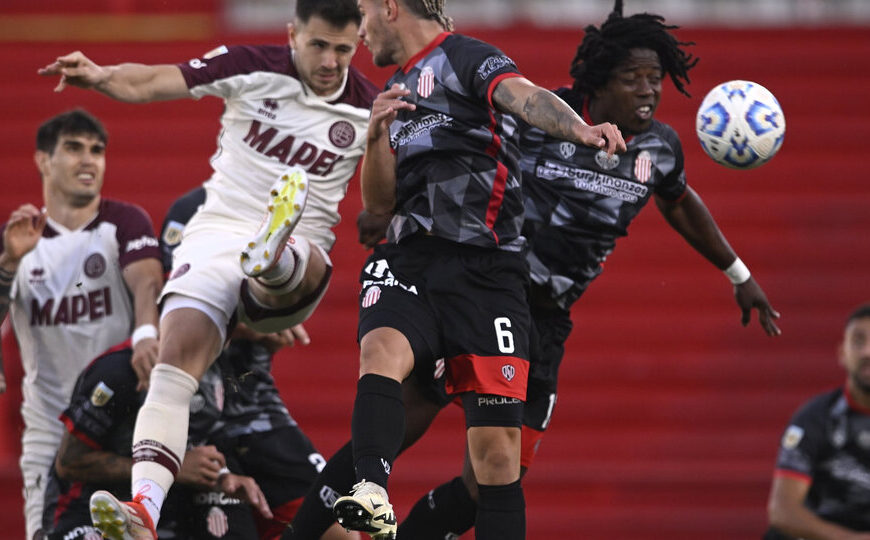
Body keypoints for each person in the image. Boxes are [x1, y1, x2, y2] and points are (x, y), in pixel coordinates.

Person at [289, 1, 782, 538]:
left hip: (541, 323)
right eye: (633, 78)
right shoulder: (536, 116)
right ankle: (312, 526)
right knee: (391, 431)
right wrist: (394, 199)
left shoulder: (660, 149)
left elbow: (679, 201)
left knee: (492, 478)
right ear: (599, 81)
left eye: (655, 79)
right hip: (487, 285)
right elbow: (516, 106)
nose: (648, 90)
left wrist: (739, 274)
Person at [37, 1, 378, 538]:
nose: (331, 61)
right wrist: (101, 76)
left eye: (343, 49)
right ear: (293, 35)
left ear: (358, 44)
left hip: (302, 245)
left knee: (300, 262)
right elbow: (156, 80)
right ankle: (142, 511)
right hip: (219, 231)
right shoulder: (252, 65)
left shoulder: (368, 109)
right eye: (318, 45)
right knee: (173, 368)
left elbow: (384, 202)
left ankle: (273, 255)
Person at [314, 1, 625, 539]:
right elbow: (379, 206)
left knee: (496, 460)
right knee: (380, 349)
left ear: (390, 7)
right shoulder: (395, 89)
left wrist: (578, 130)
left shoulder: (464, 57)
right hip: (411, 257)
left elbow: (524, 97)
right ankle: (371, 488)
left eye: (363, 13)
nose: (360, 31)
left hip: (487, 271)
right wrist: (374, 140)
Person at [160, 186, 359, 540]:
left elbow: (296, 304)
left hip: (257, 411)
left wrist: (278, 318)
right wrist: (251, 324)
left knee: (340, 529)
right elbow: (174, 310)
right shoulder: (189, 211)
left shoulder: (286, 204)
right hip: (197, 416)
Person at [0, 109, 163, 540]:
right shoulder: (16, 240)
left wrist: (147, 332)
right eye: (73, 148)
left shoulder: (124, 222)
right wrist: (8, 265)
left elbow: (147, 280)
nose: (89, 160)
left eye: (97, 150)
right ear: (42, 160)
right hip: (48, 433)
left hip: (118, 429)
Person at [41, 346, 272, 540]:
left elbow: (205, 439)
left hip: (174, 507)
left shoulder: (220, 364)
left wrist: (221, 474)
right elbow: (68, 463)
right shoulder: (119, 371)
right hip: (88, 507)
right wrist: (173, 468)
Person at [765, 304, 870, 539]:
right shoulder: (815, 418)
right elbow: (782, 511)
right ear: (842, 353)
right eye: (858, 341)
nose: (867, 352)